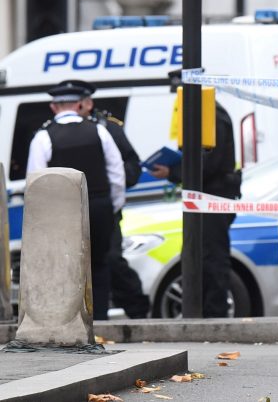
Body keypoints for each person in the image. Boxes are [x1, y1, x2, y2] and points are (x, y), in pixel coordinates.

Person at [26, 80, 126, 320]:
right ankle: (99, 319)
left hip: (62, 212)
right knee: (99, 265)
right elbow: (117, 174)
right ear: (80, 104)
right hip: (100, 206)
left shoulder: (43, 137)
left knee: (65, 266)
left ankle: (69, 320)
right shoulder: (100, 131)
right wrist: (112, 206)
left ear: (53, 107)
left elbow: (37, 182)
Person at [65, 79, 150, 319]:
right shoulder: (57, 132)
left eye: (77, 104)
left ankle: (137, 310)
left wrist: (114, 189)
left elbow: (131, 165)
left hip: (103, 207)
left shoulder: (108, 129)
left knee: (111, 260)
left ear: (87, 104)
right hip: (72, 209)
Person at [150, 100, 240, 318]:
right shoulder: (202, 114)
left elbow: (209, 163)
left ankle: (215, 317)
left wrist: (172, 171)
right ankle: (202, 315)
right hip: (203, 199)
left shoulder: (213, 115)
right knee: (197, 258)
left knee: (212, 260)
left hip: (212, 198)